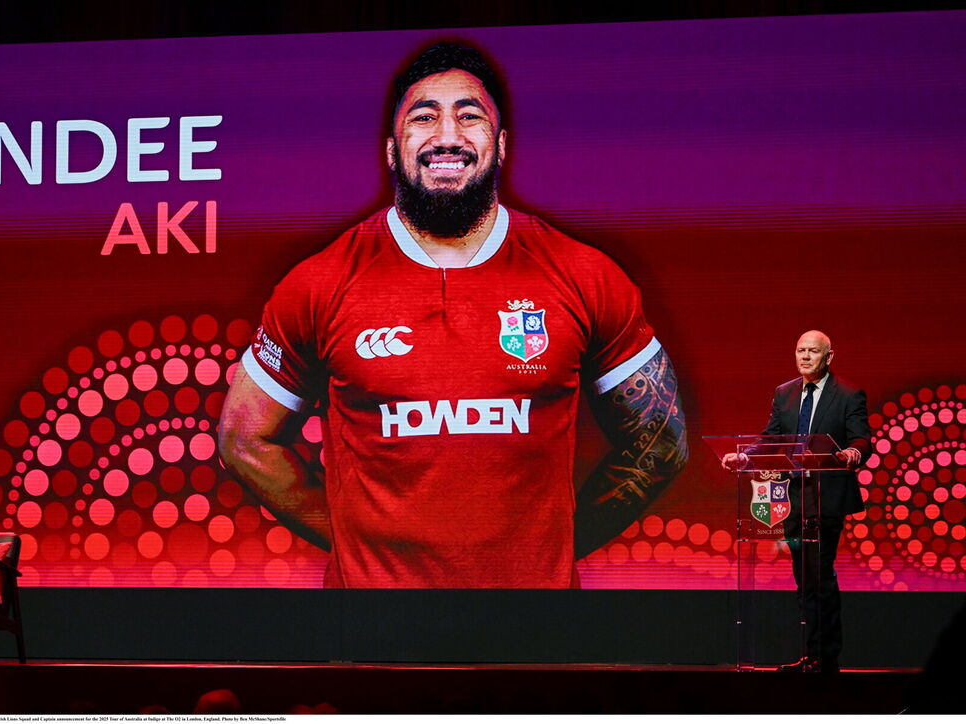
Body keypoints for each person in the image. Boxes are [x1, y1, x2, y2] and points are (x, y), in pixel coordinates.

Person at [219, 42, 688, 588]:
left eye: (470, 116)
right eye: (424, 117)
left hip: (534, 634)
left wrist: (550, 544)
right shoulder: (319, 282)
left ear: (501, 144)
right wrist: (354, 536)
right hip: (374, 634)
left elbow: (663, 442)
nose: (446, 135)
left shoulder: (584, 275)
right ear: (392, 150)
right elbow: (243, 438)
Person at [722, 330, 868, 673]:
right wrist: (746, 458)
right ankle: (812, 655)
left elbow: (862, 439)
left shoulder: (847, 395)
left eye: (812, 351)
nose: (805, 356)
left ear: (828, 356)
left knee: (820, 576)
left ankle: (826, 657)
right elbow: (772, 438)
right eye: (800, 350)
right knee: (804, 580)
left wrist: (851, 453)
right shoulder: (785, 394)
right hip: (794, 498)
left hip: (827, 498)